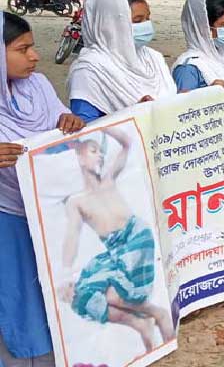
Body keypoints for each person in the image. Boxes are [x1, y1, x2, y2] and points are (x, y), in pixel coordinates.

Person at [0, 11, 85, 367]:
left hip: (49, 211)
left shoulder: (37, 86)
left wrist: (70, 120)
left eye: (33, 47)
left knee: (52, 294)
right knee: (16, 299)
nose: (35, 56)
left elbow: (60, 119)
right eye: (23, 49)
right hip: (8, 218)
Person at [60, 127, 175, 352]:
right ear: (80, 157)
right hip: (116, 251)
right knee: (82, 293)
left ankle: (156, 315)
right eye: (94, 151)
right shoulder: (76, 201)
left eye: (101, 152)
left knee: (112, 293)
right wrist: (66, 272)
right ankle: (142, 323)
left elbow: (126, 142)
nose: (100, 155)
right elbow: (72, 235)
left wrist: (101, 125)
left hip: (136, 240)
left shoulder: (108, 180)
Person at [68, 0, 176, 123]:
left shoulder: (154, 58)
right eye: (137, 21)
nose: (146, 25)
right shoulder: (89, 70)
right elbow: (87, 128)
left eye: (147, 18)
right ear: (110, 25)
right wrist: (132, 114)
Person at [172, 0, 224, 93]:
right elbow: (182, 106)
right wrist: (208, 94)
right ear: (204, 29)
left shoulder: (222, 56)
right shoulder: (188, 68)